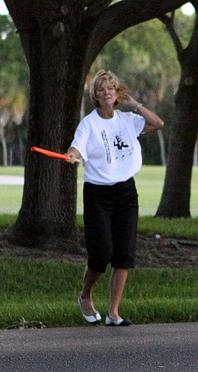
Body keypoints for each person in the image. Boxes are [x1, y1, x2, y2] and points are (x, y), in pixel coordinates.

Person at [65, 70, 163, 327]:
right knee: (101, 254)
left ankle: (113, 313)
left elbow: (157, 124)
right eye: (101, 89)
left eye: (111, 88)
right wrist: (73, 154)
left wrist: (136, 105)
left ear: (118, 93)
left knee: (124, 255)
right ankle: (85, 295)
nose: (107, 92)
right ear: (95, 97)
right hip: (98, 194)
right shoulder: (89, 123)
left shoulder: (128, 120)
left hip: (126, 192)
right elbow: (77, 146)